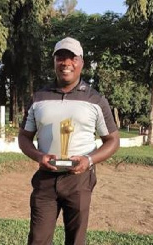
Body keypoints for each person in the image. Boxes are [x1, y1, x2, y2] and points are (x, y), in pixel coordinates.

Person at [18, 37, 120, 245]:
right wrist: (39, 156)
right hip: (46, 179)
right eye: (60, 57)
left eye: (72, 58)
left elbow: (112, 140)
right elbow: (24, 137)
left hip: (79, 181)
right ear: (54, 62)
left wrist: (88, 161)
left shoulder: (96, 100)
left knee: (75, 240)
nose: (66, 63)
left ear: (81, 62)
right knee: (37, 239)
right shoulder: (39, 98)